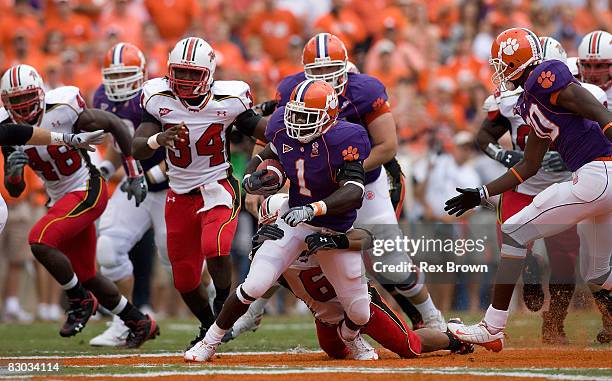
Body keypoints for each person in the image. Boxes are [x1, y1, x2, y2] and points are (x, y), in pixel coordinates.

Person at [230, 33, 443, 342]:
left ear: (346, 67)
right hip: (313, 188)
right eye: (316, 71)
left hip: (364, 185)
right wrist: (256, 182)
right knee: (286, 246)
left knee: (392, 266)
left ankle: (431, 316)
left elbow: (386, 146)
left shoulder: (364, 91)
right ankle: (252, 312)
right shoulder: (294, 90)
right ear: (303, 69)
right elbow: (271, 136)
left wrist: (345, 174)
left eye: (331, 70)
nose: (324, 78)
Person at [445, 27, 612, 352]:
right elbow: (528, 166)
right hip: (600, 181)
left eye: (501, 64)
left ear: (516, 63)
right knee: (596, 273)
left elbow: (597, 111)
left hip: (598, 173)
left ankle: (492, 327)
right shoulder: (530, 100)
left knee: (513, 230)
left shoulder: (546, 76)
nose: (498, 72)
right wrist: (480, 193)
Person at [185, 80, 375, 362]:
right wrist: (251, 177)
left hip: (334, 228)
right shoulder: (286, 132)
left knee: (360, 312)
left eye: (306, 117)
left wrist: (315, 209)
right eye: (294, 115)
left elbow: (354, 192)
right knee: (255, 284)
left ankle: (350, 337)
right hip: (294, 218)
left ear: (328, 118)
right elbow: (266, 154)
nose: (297, 124)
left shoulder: (345, 138)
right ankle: (208, 342)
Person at [0, 64, 158, 347]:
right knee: (86, 274)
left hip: (87, 187)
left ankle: (79, 300)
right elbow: (16, 189)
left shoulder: (63, 107)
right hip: (61, 198)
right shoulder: (7, 129)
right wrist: (12, 174)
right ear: (6, 103)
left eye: (27, 100)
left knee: (39, 240)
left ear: (41, 94)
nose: (23, 109)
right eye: (16, 103)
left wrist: (134, 172)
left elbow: (115, 124)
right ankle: (138, 321)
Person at [132, 37, 267, 351]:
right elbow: (137, 147)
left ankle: (222, 307)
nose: (186, 79)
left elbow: (266, 131)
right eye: (181, 72)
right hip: (178, 193)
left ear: (209, 73)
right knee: (185, 280)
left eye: (194, 73)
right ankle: (209, 325)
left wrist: (286, 138)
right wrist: (157, 140)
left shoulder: (229, 99)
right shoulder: (157, 97)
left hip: (217, 185)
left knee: (215, 246)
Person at [251, 193, 474, 359]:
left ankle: (453, 336)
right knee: (336, 354)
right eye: (271, 226)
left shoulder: (319, 232)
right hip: (327, 317)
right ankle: (351, 337)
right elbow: (260, 287)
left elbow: (365, 238)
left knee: (409, 347)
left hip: (362, 305)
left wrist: (335, 242)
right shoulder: (271, 255)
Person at [89, 42, 170, 347]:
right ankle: (126, 321)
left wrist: (150, 177)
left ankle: (215, 306)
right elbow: (118, 143)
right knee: (108, 247)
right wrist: (106, 171)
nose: (120, 83)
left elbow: (183, 153)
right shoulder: (102, 98)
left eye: (127, 75)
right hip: (135, 185)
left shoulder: (158, 98)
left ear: (143, 74)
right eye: (115, 75)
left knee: (178, 265)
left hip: (171, 187)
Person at [577, 30, 612, 343]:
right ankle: (609, 317)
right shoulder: (574, 90)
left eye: (600, 65)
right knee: (592, 269)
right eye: (587, 64)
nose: (592, 71)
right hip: (592, 181)